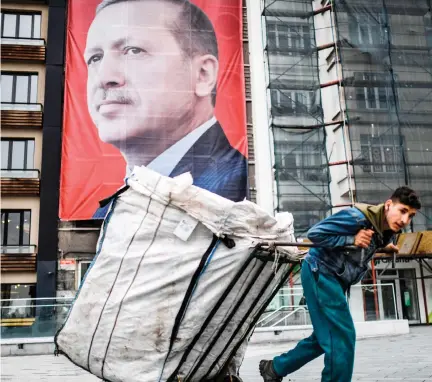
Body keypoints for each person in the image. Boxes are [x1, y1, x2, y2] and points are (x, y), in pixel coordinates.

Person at [84, 0, 248, 218]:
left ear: (202, 74)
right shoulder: (106, 212)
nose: (104, 77)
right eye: (95, 58)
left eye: (133, 51)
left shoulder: (233, 193)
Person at [259, 186, 421, 382]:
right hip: (321, 272)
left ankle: (275, 368)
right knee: (342, 336)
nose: (405, 220)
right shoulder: (356, 217)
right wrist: (351, 239)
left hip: (335, 278)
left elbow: (371, 240)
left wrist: (385, 246)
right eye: (402, 211)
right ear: (388, 205)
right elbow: (315, 233)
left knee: (323, 338)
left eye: (410, 216)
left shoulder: (384, 228)